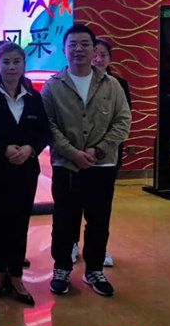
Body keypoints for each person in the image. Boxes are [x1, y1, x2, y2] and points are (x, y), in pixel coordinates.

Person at [42, 24, 131, 297]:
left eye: (84, 44)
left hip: (102, 165)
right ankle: (61, 269)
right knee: (64, 219)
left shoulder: (112, 85)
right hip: (67, 166)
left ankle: (94, 270)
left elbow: (123, 121)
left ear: (94, 50)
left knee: (99, 220)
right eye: (73, 45)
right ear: (64, 50)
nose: (78, 49)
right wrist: (73, 153)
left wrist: (97, 150)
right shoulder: (53, 86)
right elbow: (48, 125)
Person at [0, 42, 51, 306]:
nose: (11, 67)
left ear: (23, 65)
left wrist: (31, 149)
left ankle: (16, 275)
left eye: (16, 62)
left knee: (20, 221)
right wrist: (4, 148)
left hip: (26, 170)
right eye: (6, 62)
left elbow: (44, 132)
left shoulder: (34, 97)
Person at [70, 38, 133, 267]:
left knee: (99, 209)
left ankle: (98, 251)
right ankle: (72, 244)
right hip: (74, 157)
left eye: (102, 54)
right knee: (73, 205)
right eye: (95, 54)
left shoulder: (117, 84)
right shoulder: (66, 82)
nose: (97, 58)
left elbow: (123, 119)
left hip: (106, 156)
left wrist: (99, 149)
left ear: (110, 58)